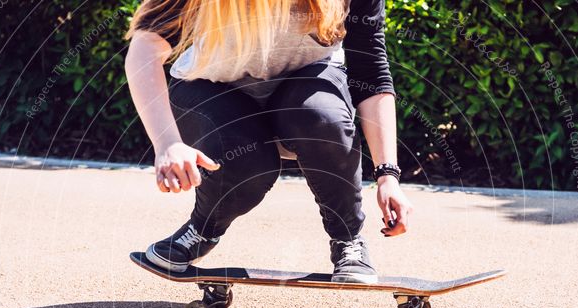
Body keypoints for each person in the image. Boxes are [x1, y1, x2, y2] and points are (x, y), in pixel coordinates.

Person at [125, 0, 413, 283]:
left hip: (306, 85)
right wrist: (167, 144)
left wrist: (388, 175)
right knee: (248, 162)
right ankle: (203, 229)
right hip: (212, 85)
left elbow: (371, 73)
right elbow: (145, 46)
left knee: (322, 118)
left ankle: (347, 240)